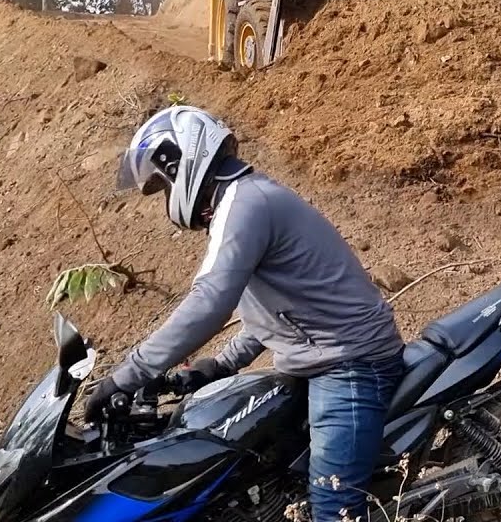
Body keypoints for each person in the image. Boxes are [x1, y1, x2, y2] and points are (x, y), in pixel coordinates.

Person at [86, 105, 405, 522]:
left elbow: (210, 301)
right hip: (323, 358)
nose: (167, 197)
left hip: (351, 363)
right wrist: (217, 366)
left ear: (182, 162)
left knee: (332, 509)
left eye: (164, 185)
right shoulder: (240, 203)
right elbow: (281, 309)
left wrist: (128, 375)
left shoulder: (245, 203)